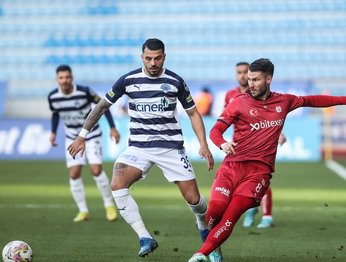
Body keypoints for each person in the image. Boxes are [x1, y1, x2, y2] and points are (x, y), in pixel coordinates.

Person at [188, 58, 346, 262]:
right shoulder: (238, 102)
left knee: (231, 215)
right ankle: (214, 246)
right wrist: (222, 144)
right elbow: (216, 130)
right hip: (232, 166)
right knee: (213, 213)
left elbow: (312, 100)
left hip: (258, 173)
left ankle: (201, 254)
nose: (250, 84)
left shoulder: (284, 101)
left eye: (255, 80)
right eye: (249, 79)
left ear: (269, 79)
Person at [67, 38, 216, 258]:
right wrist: (82, 136)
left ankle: (203, 225)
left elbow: (193, 113)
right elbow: (101, 106)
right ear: (142, 57)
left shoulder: (175, 81)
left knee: (194, 200)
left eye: (157, 58)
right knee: (117, 183)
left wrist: (203, 144)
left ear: (164, 56)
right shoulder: (128, 80)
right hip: (138, 147)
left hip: (170, 148)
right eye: (148, 58)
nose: (153, 62)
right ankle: (145, 236)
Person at [48, 64, 120, 223]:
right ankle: (83, 210)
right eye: (61, 78)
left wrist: (113, 128)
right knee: (74, 173)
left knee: (96, 170)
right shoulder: (53, 97)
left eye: (67, 77)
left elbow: (104, 107)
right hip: (72, 137)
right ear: (57, 79)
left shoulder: (85, 91)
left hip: (92, 134)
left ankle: (109, 205)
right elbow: (55, 114)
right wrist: (53, 132)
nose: (65, 80)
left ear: (71, 78)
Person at [226, 61, 285, 229]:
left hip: (260, 142)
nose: (243, 76)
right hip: (240, 144)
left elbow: (270, 118)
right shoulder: (231, 95)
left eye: (246, 72)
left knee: (261, 178)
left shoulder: (262, 94)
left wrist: (279, 133)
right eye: (239, 72)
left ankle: (267, 215)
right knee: (238, 183)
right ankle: (251, 208)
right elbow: (228, 117)